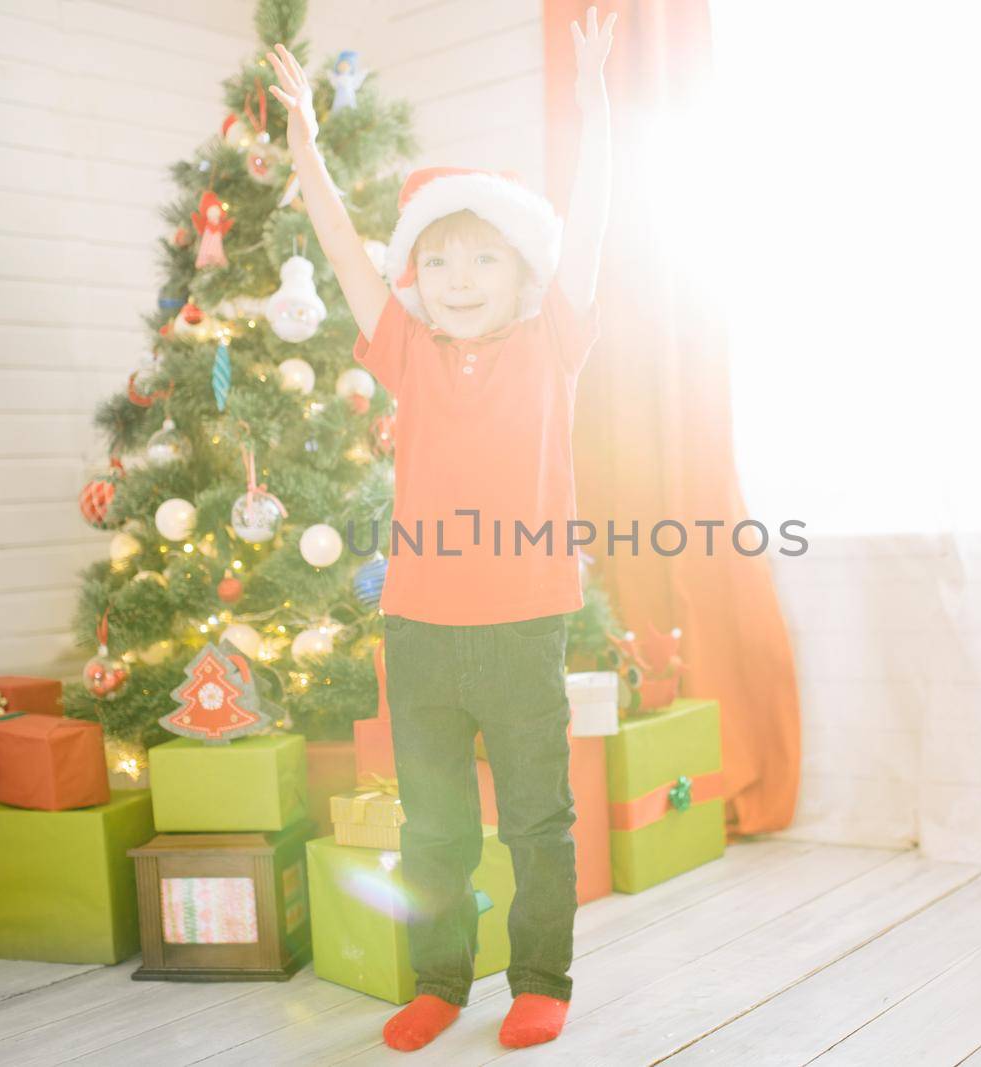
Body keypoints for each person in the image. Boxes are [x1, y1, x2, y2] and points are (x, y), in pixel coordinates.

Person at [267, 6, 616, 1052]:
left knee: (536, 820)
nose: (461, 283)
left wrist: (595, 105)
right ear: (418, 280)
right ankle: (439, 979)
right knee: (432, 827)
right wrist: (306, 149)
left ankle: (541, 977)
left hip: (521, 624)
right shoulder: (406, 348)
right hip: (417, 627)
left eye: (485, 263)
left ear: (525, 277)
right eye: (442, 265)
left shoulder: (553, 341)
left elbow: (591, 217)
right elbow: (340, 249)